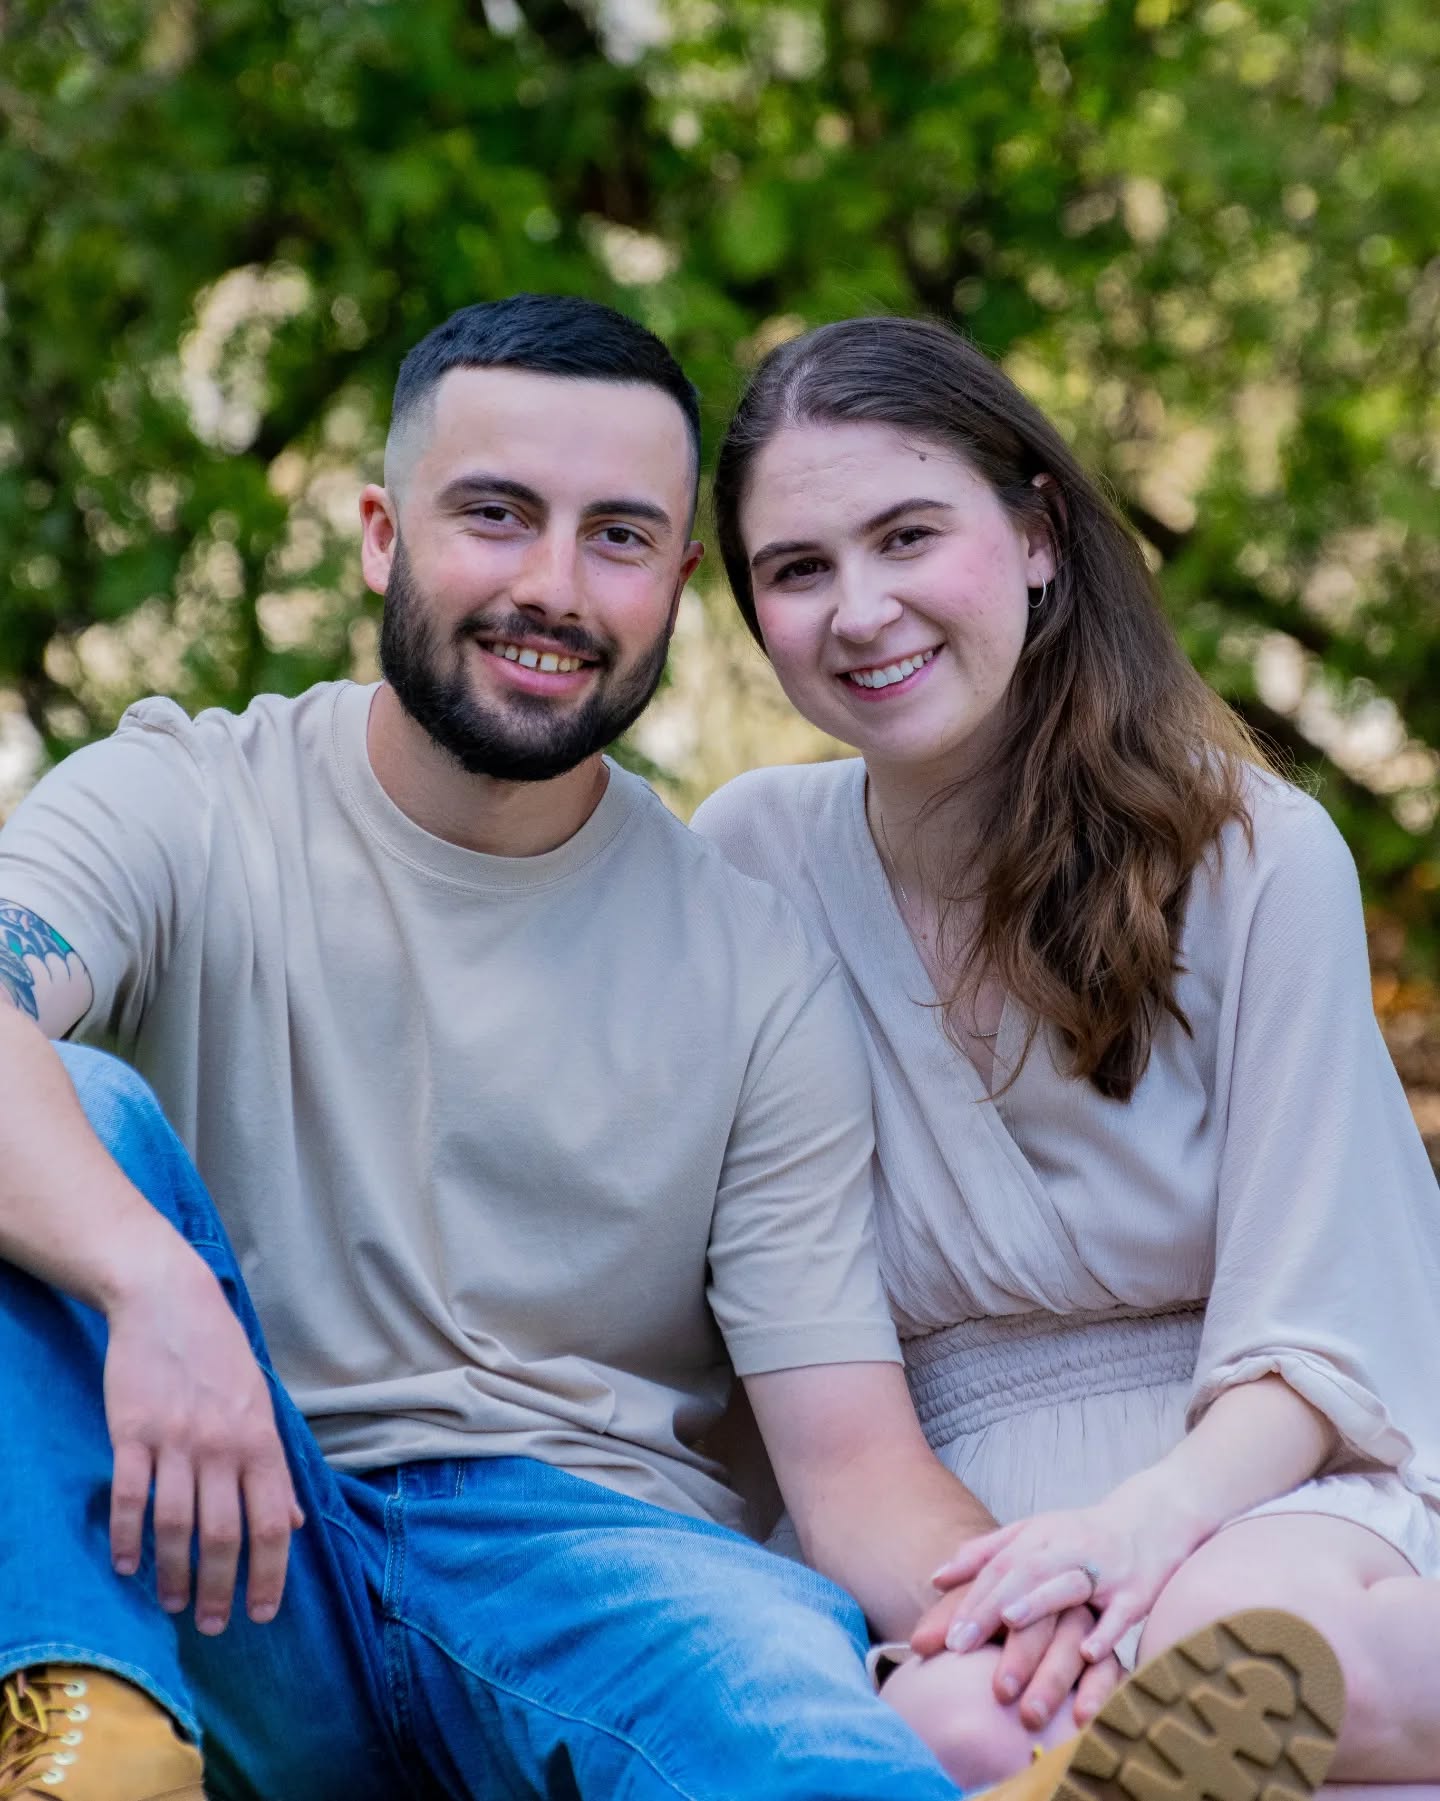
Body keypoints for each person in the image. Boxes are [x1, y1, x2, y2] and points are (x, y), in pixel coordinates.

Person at [0, 294, 1340, 1801]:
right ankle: (87, 1757)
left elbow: (849, 1471)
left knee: (785, 1711)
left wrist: (1031, 1634)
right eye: (496, 516)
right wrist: (150, 1277)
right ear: (382, 534)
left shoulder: (753, 953)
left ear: (684, 583)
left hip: (594, 1561)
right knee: (76, 1115)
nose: (553, 586)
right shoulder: (185, 801)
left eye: (619, 536)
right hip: (238, 1547)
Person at [693, 312, 1440, 1790]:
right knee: (954, 1726)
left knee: (1233, 1640)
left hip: (1259, 1472)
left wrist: (1141, 1536)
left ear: (1038, 533)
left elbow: (1328, 1314)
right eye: (798, 569)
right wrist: (1019, 1592)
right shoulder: (745, 868)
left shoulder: (1251, 852)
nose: (861, 610)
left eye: (908, 535)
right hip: (949, 1511)